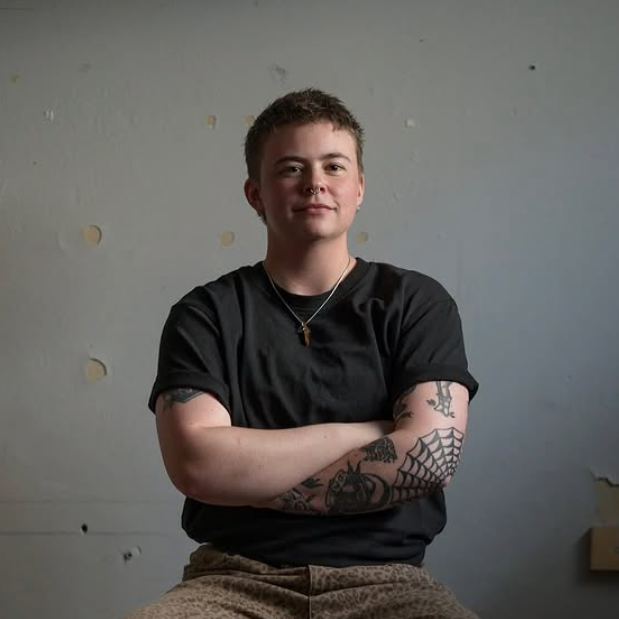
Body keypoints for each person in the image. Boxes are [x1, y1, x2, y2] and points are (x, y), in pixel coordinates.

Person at [125, 88, 480, 619]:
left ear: (359, 187)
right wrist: (370, 433)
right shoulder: (205, 314)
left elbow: (431, 458)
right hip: (232, 580)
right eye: (291, 168)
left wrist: (249, 481)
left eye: (334, 166)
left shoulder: (415, 303)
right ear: (255, 194)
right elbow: (197, 466)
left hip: (389, 582)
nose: (315, 183)